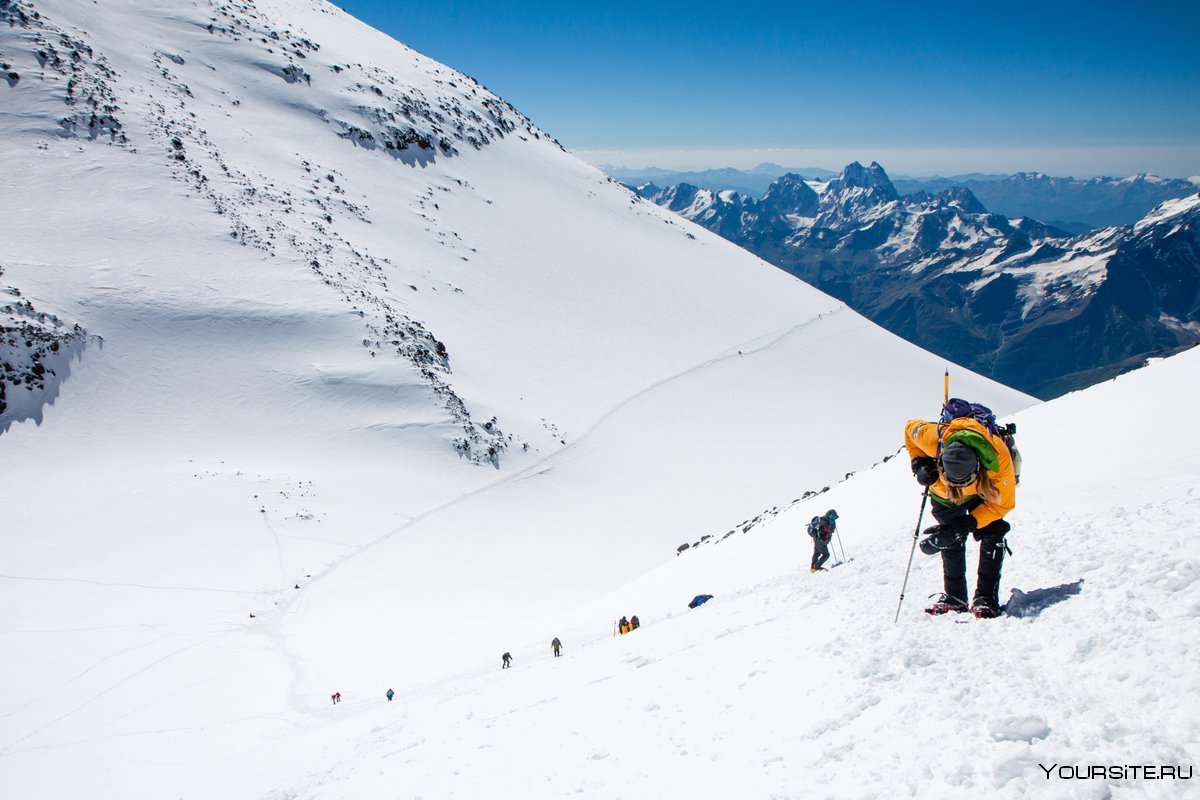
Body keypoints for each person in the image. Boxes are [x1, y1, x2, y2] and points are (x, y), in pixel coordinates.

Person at [906, 408, 1016, 619]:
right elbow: (909, 427)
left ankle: (986, 598)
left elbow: (1004, 503)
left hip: (983, 491)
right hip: (942, 493)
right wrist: (918, 463)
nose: (959, 487)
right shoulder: (932, 439)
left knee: (992, 532)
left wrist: (966, 525)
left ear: (977, 466)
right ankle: (955, 598)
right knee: (949, 537)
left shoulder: (998, 460)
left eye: (964, 481)